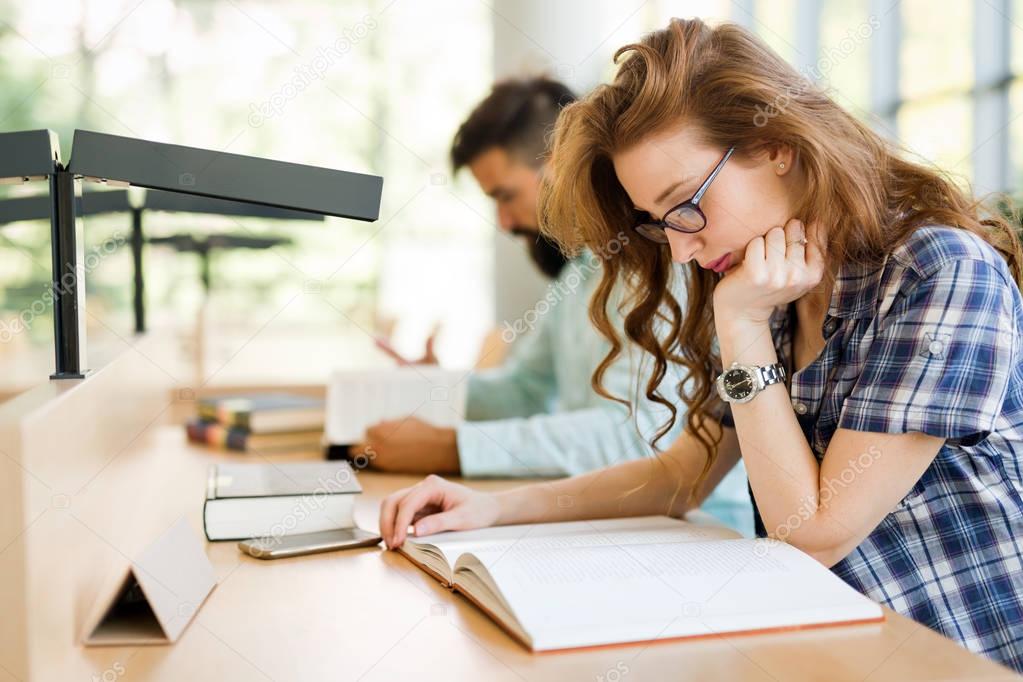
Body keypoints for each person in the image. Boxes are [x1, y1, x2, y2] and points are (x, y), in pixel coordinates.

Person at [377, 19, 1023, 671]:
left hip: (952, 656)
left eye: (685, 203)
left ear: (775, 145)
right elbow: (683, 473)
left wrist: (741, 331)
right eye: (660, 223)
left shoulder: (936, 271)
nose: (683, 246)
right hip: (824, 643)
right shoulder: (771, 284)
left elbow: (814, 535)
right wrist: (493, 508)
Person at [360, 76, 754, 535]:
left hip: (693, 528)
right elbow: (527, 388)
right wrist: (432, 389)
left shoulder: (662, 263)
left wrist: (455, 447)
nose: (505, 223)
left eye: (505, 196)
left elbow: (640, 438)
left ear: (557, 167)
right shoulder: (583, 268)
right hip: (608, 513)